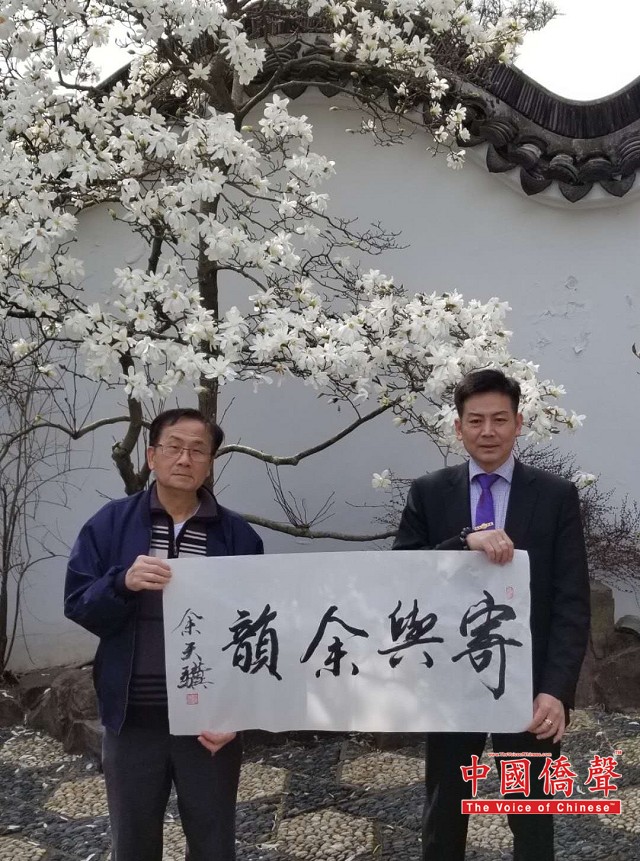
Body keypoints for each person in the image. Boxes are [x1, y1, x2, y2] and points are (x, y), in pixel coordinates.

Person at [393, 368, 590, 861]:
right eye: (475, 420)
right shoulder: (430, 491)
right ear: (457, 427)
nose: (488, 431)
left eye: (500, 419)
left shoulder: (555, 495)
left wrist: (557, 690)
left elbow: (571, 599)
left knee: (532, 817)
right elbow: (402, 575)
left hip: (527, 686)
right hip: (451, 681)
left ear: (518, 423)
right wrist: (463, 541)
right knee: (444, 814)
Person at [64, 408, 263, 861]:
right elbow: (78, 603)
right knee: (133, 843)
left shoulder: (235, 535)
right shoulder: (110, 524)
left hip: (207, 721)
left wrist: (236, 711)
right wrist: (121, 583)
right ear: (152, 456)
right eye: (174, 447)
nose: (185, 459)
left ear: (210, 463)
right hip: (133, 718)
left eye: (198, 450)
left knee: (213, 844)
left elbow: (254, 632)